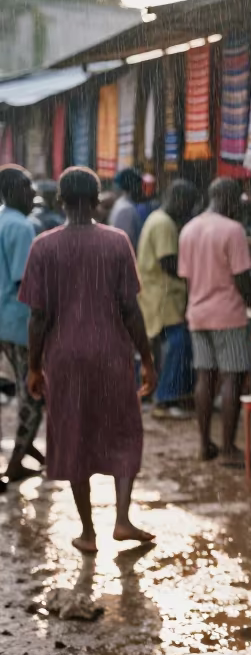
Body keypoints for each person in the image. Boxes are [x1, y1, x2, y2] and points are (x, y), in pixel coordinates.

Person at [19, 166, 156, 553]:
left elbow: (39, 316)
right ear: (97, 201)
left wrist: (32, 366)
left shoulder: (44, 246)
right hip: (112, 354)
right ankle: (123, 519)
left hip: (64, 359)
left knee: (73, 435)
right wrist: (146, 358)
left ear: (60, 201)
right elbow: (131, 309)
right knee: (124, 430)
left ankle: (88, 531)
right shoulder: (116, 242)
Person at [178, 177, 251, 467]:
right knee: (233, 377)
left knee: (205, 377)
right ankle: (229, 449)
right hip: (227, 315)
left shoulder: (189, 229)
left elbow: (185, 277)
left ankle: (205, 445)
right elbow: (243, 279)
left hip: (198, 313)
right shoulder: (233, 231)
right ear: (229, 199)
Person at [137, 179, 201, 420]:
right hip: (163, 296)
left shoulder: (156, 218)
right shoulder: (164, 223)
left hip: (157, 294)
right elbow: (168, 263)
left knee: (164, 347)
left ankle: (161, 393)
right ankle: (166, 397)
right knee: (179, 343)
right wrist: (195, 275)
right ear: (180, 200)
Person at [0, 165, 46, 485]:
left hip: (5, 319)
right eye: (28, 187)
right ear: (15, 190)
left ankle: (28, 452)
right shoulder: (21, 227)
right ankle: (17, 460)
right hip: (19, 322)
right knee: (34, 391)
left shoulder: (4, 220)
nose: (33, 194)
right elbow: (26, 283)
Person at [108, 167, 145, 250]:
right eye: (140, 186)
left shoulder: (122, 204)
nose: (142, 190)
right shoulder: (126, 209)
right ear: (134, 187)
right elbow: (125, 245)